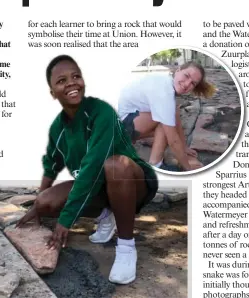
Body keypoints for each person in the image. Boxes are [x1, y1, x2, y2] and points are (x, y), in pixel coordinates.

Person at [16, 54, 158, 285]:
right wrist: (37, 205)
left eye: (76, 76)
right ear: (52, 92)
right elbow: (51, 164)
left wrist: (66, 219)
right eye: (61, 81)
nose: (71, 82)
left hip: (133, 182)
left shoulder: (101, 111)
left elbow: (93, 165)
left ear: (83, 81)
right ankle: (106, 215)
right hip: (98, 187)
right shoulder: (58, 128)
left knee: (114, 166)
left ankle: (126, 247)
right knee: (45, 203)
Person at [118, 61, 216, 171]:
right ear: (178, 70)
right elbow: (173, 141)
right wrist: (188, 169)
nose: (187, 84)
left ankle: (147, 141)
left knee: (171, 115)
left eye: (193, 83)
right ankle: (156, 164)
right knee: (166, 124)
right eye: (186, 75)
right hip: (118, 128)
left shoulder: (166, 82)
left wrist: (184, 147)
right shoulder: (164, 92)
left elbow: (176, 119)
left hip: (126, 119)